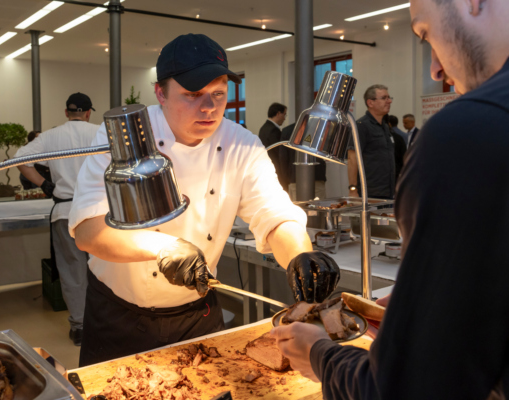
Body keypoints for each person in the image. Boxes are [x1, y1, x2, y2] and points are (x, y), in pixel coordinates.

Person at [270, 0, 509, 398]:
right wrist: (436, 296)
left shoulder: (472, 133)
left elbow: (409, 387)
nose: (434, 69)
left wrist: (320, 355)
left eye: (426, 33)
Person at [69, 33, 340, 367]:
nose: (209, 107)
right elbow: (88, 230)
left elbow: (275, 215)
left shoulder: (242, 144)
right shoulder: (126, 136)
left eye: (218, 94)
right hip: (118, 314)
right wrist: (163, 248)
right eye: (193, 94)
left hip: (198, 314)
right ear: (160, 93)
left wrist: (300, 255)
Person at [14, 93, 99, 346]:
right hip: (97, 212)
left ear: (66, 113)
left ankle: (80, 327)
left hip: (65, 213)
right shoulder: (100, 132)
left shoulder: (50, 136)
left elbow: (19, 159)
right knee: (104, 269)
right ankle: (103, 322)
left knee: (73, 271)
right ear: (88, 113)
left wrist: (44, 183)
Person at [346, 85, 396, 199]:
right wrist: (353, 189)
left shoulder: (385, 126)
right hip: (370, 193)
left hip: (388, 191)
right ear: (370, 103)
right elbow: (352, 158)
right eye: (384, 98)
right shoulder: (361, 126)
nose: (389, 101)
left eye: (389, 97)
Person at [280, 123, 327, 200]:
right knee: (319, 206)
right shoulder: (320, 128)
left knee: (298, 207)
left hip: (295, 179)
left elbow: (283, 158)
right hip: (317, 177)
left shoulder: (287, 131)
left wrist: (288, 178)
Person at [259, 102, 288, 190]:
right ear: (278, 113)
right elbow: (280, 153)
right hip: (276, 170)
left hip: (266, 168)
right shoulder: (273, 130)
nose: (284, 118)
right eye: (284, 114)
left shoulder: (263, 128)